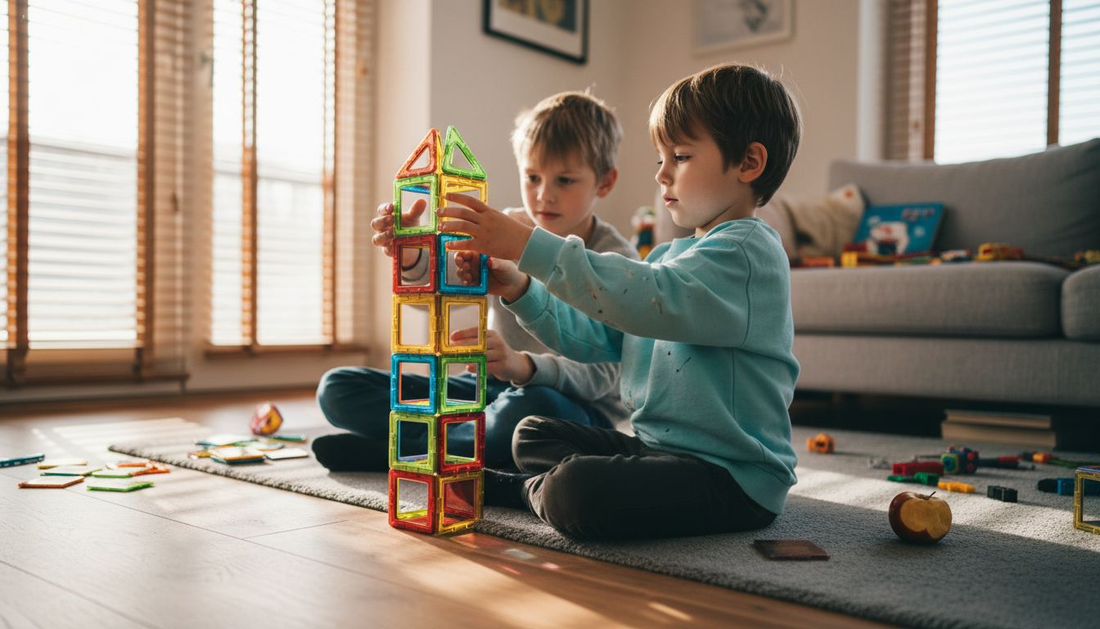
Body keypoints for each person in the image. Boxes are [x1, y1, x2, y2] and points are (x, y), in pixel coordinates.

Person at [436, 63, 803, 540]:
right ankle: (539, 484)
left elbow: (646, 298)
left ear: (748, 163)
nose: (663, 174)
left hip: (731, 478)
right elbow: (598, 334)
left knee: (577, 489)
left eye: (682, 156)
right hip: (658, 451)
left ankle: (519, 491)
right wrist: (520, 290)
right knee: (531, 432)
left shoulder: (747, 254)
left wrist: (530, 246)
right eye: (660, 159)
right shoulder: (674, 255)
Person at [312, 91, 638, 472]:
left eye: (564, 180)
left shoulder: (616, 261)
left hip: (574, 407)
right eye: (532, 177)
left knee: (527, 417)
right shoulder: (507, 227)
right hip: (493, 392)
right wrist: (413, 251)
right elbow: (441, 285)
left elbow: (606, 375)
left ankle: (401, 450)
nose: (544, 194)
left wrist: (524, 366)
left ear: (605, 182)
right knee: (338, 388)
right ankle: (439, 448)